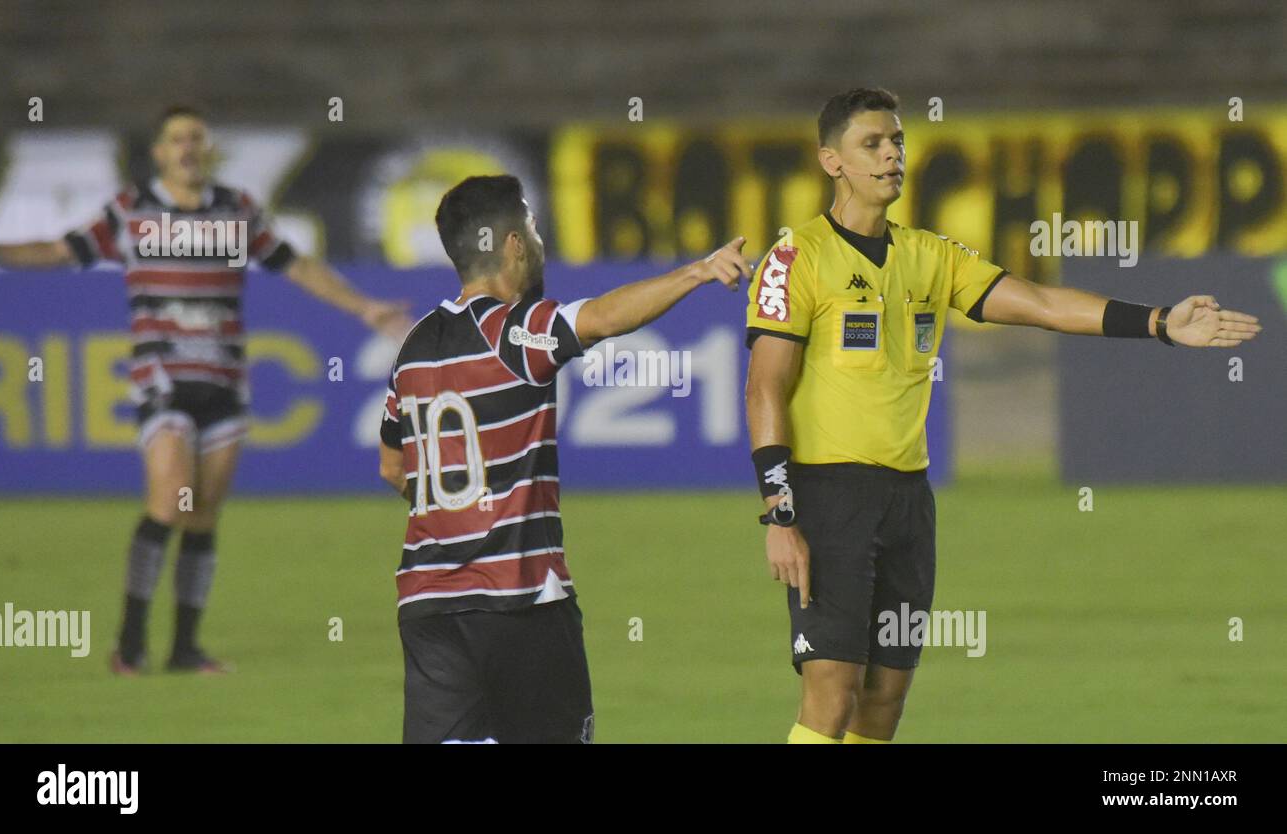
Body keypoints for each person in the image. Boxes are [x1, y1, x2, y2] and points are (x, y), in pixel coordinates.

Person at [743, 87, 1262, 744]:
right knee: (832, 691)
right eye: (872, 143)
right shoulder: (797, 259)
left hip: (907, 500)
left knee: (882, 703)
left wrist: (1159, 323)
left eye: (897, 141)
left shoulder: (930, 256)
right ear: (830, 160)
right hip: (828, 497)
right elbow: (765, 387)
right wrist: (779, 513)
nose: (891, 155)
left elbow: (1042, 302)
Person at [0, 105, 412, 674]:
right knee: (169, 499)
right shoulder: (131, 210)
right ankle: (130, 641)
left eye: (195, 137)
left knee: (204, 514)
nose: (187, 146)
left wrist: (365, 307)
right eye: (176, 139)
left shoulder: (234, 211)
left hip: (225, 385)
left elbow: (295, 265)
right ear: (159, 152)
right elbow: (61, 251)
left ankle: (185, 647)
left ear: (206, 149)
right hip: (162, 381)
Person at [377, 174, 749, 743]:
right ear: (512, 245)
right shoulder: (512, 330)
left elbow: (392, 466)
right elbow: (599, 318)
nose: (537, 239)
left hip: (429, 606)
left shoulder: (413, 348)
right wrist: (697, 272)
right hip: (520, 603)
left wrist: (458, 515)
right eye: (531, 225)